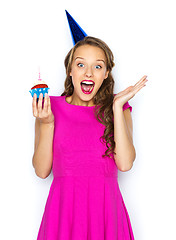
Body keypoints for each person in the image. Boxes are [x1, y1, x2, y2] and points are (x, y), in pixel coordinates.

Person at [32, 36, 148, 239]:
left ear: (106, 74)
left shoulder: (119, 108)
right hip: (63, 214)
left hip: (106, 214)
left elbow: (125, 163)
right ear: (70, 71)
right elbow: (42, 171)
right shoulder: (49, 109)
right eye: (80, 64)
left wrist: (117, 107)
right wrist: (47, 123)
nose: (88, 72)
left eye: (97, 66)